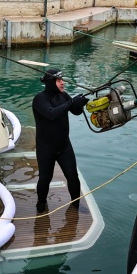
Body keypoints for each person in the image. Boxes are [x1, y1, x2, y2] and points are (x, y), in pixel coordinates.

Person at [32, 69, 89, 213]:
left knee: (73, 176)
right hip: (46, 148)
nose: (63, 82)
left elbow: (75, 111)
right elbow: (51, 114)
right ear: (51, 82)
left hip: (64, 146)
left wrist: (80, 103)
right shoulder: (40, 99)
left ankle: (76, 204)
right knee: (45, 179)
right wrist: (71, 102)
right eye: (59, 80)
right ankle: (41, 202)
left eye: (62, 79)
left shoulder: (63, 96)